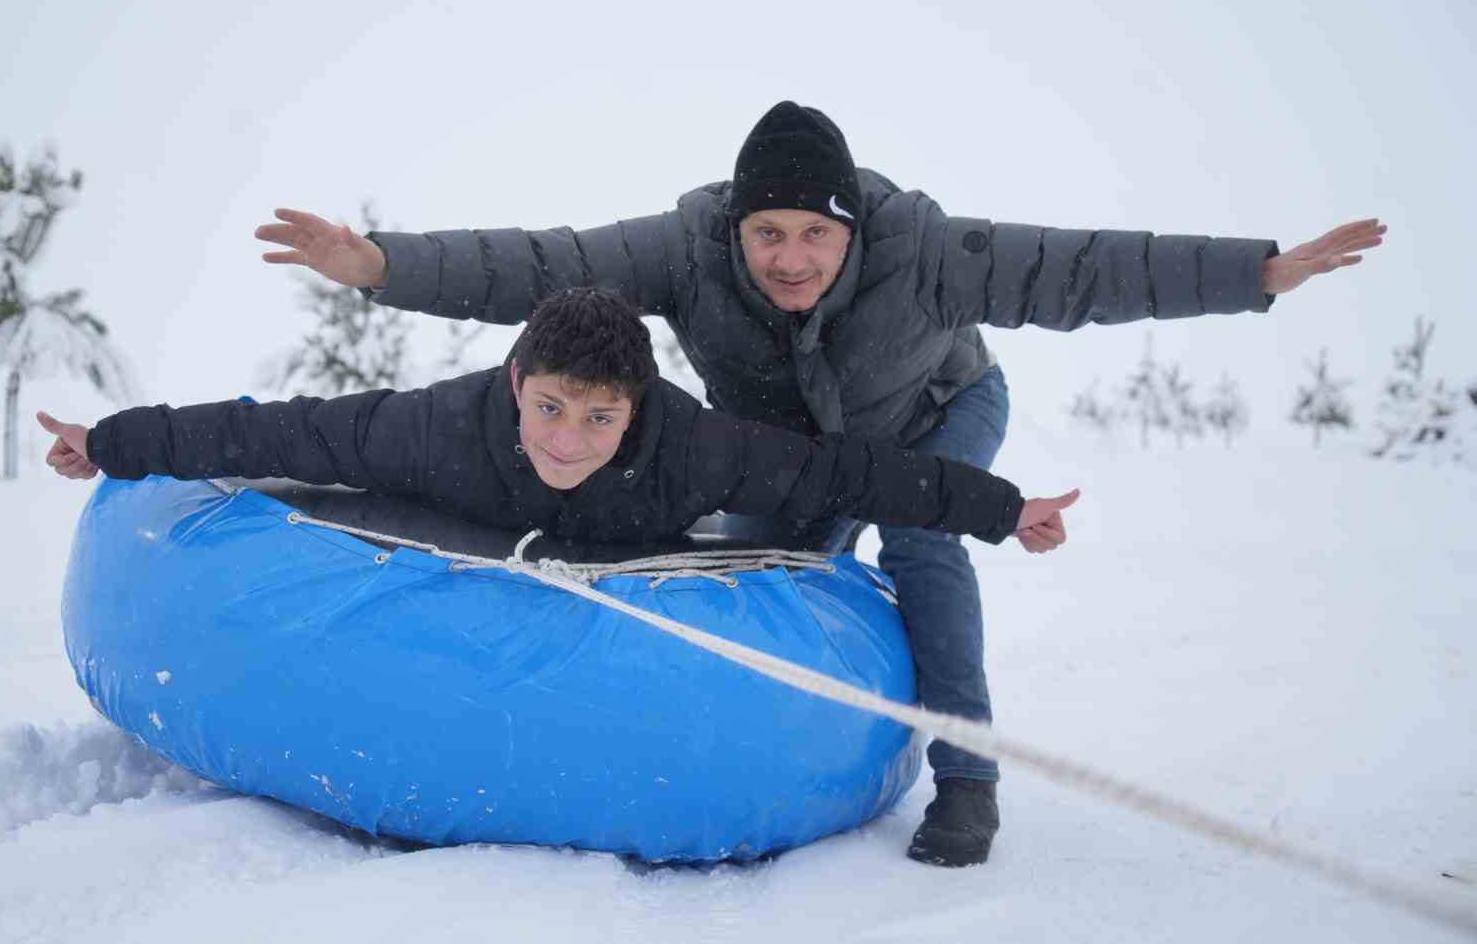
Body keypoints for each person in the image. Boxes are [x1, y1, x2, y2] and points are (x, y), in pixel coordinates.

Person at [252, 102, 1385, 867]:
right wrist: (381, 268)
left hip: (934, 411)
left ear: (851, 227)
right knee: (757, 553)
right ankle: (769, 743)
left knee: (920, 537)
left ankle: (965, 774)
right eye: (767, 233)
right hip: (780, 438)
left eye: (814, 235)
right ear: (733, 226)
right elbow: (540, 264)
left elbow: (1082, 268)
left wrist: (1259, 273)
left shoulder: (927, 251)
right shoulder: (684, 246)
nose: (789, 257)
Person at [40, 288, 1080, 558]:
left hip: (651, 539)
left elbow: (849, 476)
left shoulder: (696, 447)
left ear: (637, 407)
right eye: (550, 408)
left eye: (599, 416)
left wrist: (1002, 507)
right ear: (512, 382)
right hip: (472, 522)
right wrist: (114, 441)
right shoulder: (431, 427)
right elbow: (283, 432)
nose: (570, 438)